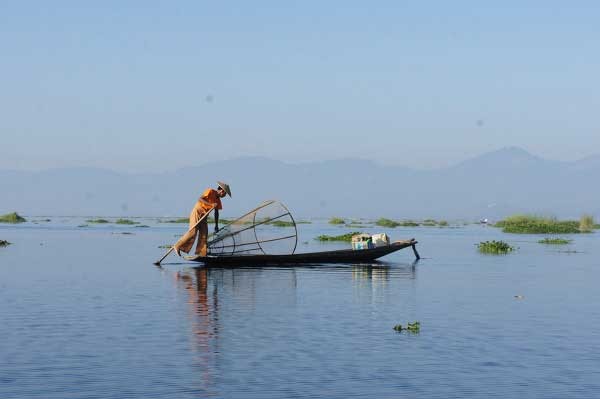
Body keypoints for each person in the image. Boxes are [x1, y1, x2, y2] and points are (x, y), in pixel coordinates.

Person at [174, 181, 231, 257]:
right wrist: (211, 204)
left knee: (204, 234)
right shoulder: (210, 191)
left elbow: (216, 213)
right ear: (222, 191)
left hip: (204, 216)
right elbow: (200, 199)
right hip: (197, 212)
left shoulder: (218, 200)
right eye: (225, 194)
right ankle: (177, 245)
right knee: (193, 232)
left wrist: (216, 225)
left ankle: (201, 253)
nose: (225, 195)